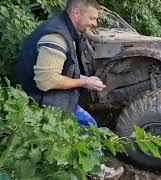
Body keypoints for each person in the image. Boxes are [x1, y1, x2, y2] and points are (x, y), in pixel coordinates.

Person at [15, 0, 123, 178]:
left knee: (89, 123)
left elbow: (64, 68)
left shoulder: (67, 29)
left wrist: (85, 78)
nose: (95, 23)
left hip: (46, 91)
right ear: (76, 13)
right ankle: (94, 171)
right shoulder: (56, 37)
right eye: (92, 18)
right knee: (88, 126)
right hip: (38, 96)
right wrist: (84, 83)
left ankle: (84, 164)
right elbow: (46, 81)